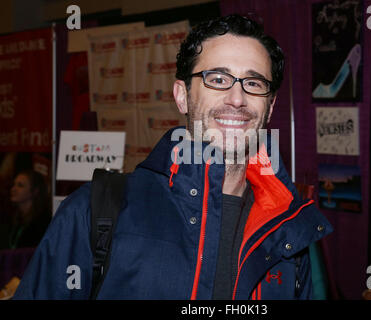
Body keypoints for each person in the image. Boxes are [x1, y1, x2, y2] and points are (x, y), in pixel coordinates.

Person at [14, 14, 333, 300]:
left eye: (253, 83)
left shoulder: (289, 228)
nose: (237, 98)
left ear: (271, 107)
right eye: (217, 79)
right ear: (182, 96)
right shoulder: (97, 211)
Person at [0, 170, 51, 250]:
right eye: (13, 185)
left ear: (35, 191)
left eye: (20, 185)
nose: (13, 189)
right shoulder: (12, 218)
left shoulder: (42, 222)